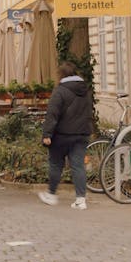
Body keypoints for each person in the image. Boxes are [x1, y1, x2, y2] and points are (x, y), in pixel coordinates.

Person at [38, 61, 92, 210]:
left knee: (56, 164)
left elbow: (52, 114)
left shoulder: (60, 91)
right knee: (78, 166)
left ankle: (51, 194)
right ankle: (81, 200)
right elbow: (89, 112)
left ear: (61, 75)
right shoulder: (85, 90)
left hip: (62, 135)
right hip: (81, 134)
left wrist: (47, 134)